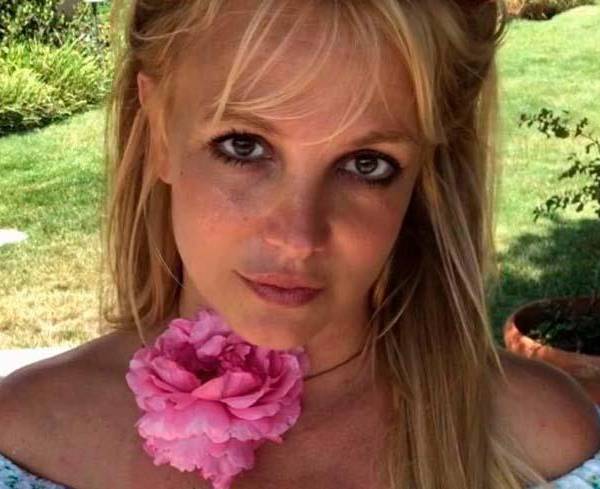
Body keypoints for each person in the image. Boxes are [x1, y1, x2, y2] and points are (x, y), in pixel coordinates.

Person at [1, 0, 599, 487]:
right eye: (243, 146)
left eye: (367, 164)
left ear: (424, 171)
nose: (297, 237)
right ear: (158, 130)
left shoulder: (538, 445)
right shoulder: (25, 440)